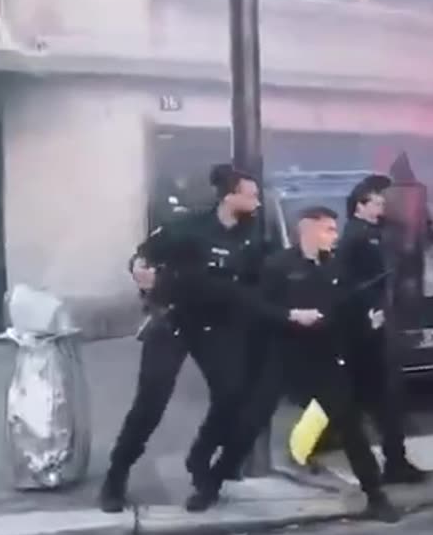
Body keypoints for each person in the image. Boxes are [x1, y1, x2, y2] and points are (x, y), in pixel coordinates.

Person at [100, 164, 322, 514]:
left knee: (231, 395)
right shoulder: (188, 228)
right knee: (151, 404)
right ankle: (116, 477)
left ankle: (200, 456)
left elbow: (267, 280)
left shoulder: (254, 237)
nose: (258, 202)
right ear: (229, 195)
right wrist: (139, 270)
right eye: (250, 195)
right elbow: (143, 253)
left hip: (217, 326)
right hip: (173, 319)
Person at [202, 206, 400, 520]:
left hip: (322, 357)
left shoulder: (336, 267)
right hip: (284, 354)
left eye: (335, 230)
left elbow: (347, 307)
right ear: (307, 231)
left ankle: (375, 495)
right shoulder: (279, 265)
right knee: (250, 423)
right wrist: (291, 316)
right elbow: (259, 307)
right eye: (328, 230)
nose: (334, 236)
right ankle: (211, 484)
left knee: (350, 425)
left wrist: (368, 320)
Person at [336, 176, 426, 484]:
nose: (382, 206)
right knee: (382, 399)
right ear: (360, 206)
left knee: (374, 400)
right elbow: (352, 284)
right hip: (367, 330)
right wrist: (370, 312)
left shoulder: (370, 233)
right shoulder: (357, 237)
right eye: (376, 202)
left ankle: (392, 461)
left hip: (371, 326)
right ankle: (391, 465)